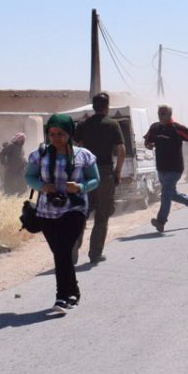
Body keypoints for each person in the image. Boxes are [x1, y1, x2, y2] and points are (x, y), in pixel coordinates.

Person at [25, 114, 100, 314]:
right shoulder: (39, 155)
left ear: (70, 133)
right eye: (52, 134)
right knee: (61, 254)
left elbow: (95, 180)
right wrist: (42, 186)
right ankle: (74, 290)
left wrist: (80, 187)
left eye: (61, 134)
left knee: (62, 251)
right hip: (46, 212)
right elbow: (29, 177)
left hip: (74, 209)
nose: (56, 138)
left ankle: (62, 297)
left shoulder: (83, 155)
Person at [74, 92, 127, 264]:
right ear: (107, 106)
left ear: (93, 106)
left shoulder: (83, 124)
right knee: (102, 215)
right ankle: (95, 253)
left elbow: (77, 147)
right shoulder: (112, 124)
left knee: (82, 212)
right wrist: (117, 172)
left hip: (85, 173)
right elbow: (121, 150)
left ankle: (73, 247)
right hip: (104, 173)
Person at [143, 105, 188, 233]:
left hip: (175, 168)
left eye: (164, 114)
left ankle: (161, 221)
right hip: (161, 168)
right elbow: (147, 141)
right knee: (171, 194)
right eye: (159, 113)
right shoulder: (155, 128)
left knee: (165, 194)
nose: (161, 116)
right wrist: (149, 145)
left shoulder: (177, 128)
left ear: (170, 114)